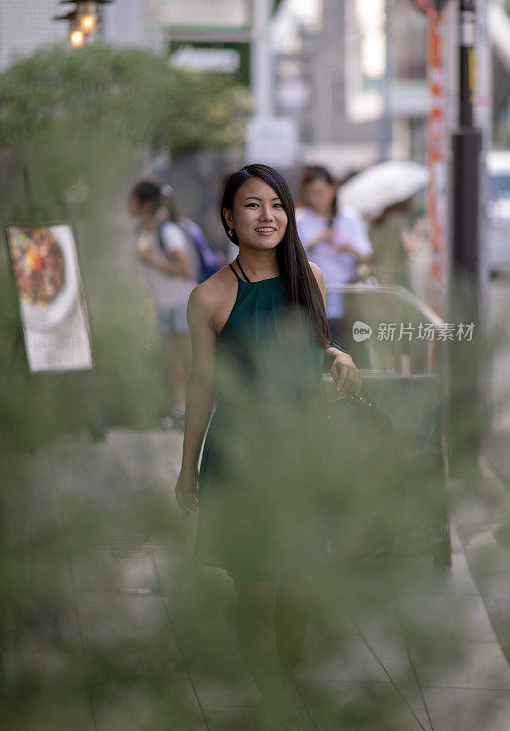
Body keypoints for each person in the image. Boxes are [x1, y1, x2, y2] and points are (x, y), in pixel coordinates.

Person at [175, 164, 362, 730]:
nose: (268, 215)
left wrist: (341, 357)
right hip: (241, 459)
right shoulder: (208, 297)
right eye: (252, 205)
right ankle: (276, 700)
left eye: (277, 204)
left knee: (300, 586)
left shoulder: (312, 277)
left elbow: (315, 347)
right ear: (229, 218)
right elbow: (202, 386)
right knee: (257, 593)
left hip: (303, 455)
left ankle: (279, 688)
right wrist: (188, 469)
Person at [128, 179, 196, 427]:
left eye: (133, 199)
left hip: (180, 302)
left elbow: (184, 268)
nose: (129, 204)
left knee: (188, 361)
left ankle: (198, 410)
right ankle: (180, 410)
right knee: (172, 363)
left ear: (145, 203)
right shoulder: (141, 230)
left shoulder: (167, 231)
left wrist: (152, 260)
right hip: (162, 303)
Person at [295, 165, 372, 348]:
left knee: (347, 349)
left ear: (333, 189)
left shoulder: (349, 217)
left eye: (321, 192)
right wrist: (316, 241)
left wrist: (349, 248)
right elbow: (292, 256)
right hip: (313, 299)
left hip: (347, 300)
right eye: (312, 193)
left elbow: (366, 254)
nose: (317, 199)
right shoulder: (300, 219)